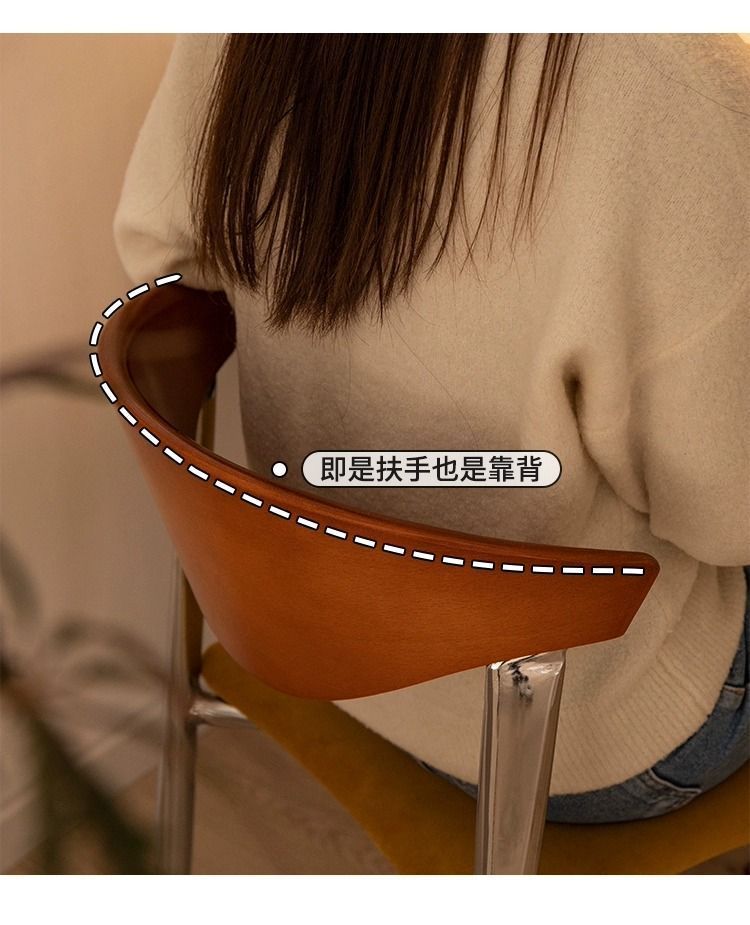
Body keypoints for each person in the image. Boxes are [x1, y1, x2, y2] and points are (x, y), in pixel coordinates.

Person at [113, 34, 750, 823]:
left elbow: (161, 251)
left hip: (320, 653)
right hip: (576, 741)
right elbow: (728, 519)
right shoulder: (680, 90)